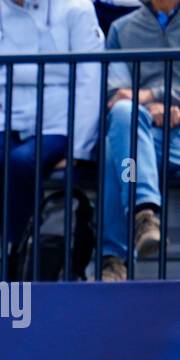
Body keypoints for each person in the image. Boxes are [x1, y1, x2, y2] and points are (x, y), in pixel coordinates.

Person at [0, 0, 103, 252]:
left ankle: (20, 254)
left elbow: (91, 81)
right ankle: (21, 244)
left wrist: (77, 150)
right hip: (5, 121)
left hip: (57, 124)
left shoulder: (77, 8)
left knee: (22, 162)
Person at [97, 0, 180, 280]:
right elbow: (117, 94)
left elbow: (132, 95)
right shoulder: (121, 29)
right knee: (122, 123)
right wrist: (146, 107)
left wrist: (151, 97)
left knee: (117, 153)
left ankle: (113, 258)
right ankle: (143, 213)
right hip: (142, 140)